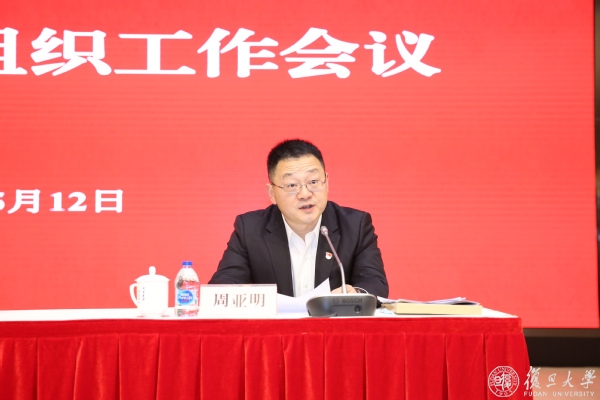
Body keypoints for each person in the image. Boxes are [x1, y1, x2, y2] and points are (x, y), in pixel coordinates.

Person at [209, 139, 388, 297]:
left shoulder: (355, 225)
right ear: (272, 193)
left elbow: (374, 282)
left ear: (326, 182)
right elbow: (223, 285)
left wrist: (356, 295)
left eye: (313, 182)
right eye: (292, 185)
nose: (305, 194)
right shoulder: (250, 229)